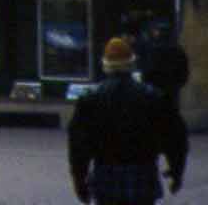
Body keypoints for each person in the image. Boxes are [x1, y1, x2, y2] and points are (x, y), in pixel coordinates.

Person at [68, 36, 188, 205]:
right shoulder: (152, 97)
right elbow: (175, 138)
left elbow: (78, 145)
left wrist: (79, 179)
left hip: (106, 174)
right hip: (142, 172)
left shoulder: (91, 99)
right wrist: (177, 171)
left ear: (105, 65)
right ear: (131, 64)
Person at [138, 20, 190, 109]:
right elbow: (184, 73)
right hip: (171, 92)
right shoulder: (177, 50)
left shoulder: (153, 50)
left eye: (156, 31)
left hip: (155, 93)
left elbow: (147, 72)